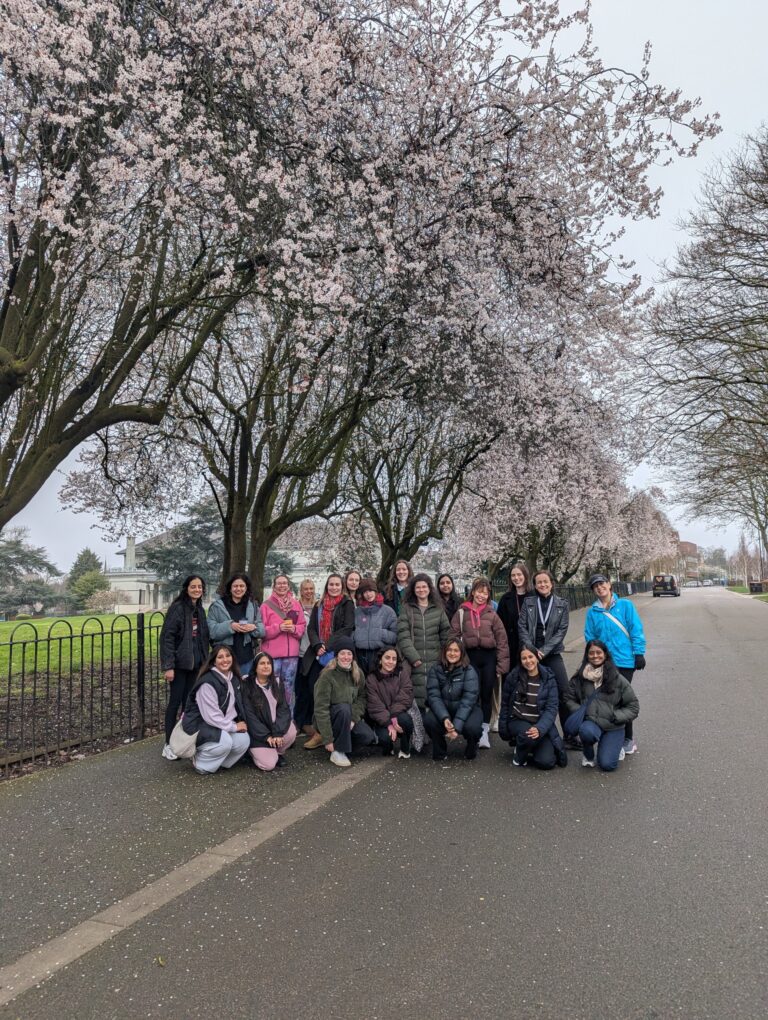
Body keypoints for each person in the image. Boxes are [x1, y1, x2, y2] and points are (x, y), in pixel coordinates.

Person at [584, 573, 646, 755]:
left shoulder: (625, 605)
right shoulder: (593, 612)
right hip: (604, 662)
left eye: (602, 583)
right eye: (595, 586)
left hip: (625, 661)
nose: (599, 587)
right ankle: (611, 736)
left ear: (609, 584)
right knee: (606, 700)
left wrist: (639, 652)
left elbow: (636, 628)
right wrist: (592, 658)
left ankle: (628, 739)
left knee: (622, 699)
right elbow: (590, 636)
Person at [296, 574, 355, 748]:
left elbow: (347, 628)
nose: (334, 587)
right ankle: (319, 731)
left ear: (342, 586)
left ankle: (329, 732)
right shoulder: (319, 604)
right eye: (331, 584)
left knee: (334, 693)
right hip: (317, 653)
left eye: (337, 584)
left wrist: (327, 645)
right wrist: (317, 644)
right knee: (314, 689)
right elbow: (311, 628)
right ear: (326, 586)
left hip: (337, 653)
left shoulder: (347, 604)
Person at [451, 577, 509, 749]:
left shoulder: (492, 614)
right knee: (472, 694)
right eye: (479, 591)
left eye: (485, 593)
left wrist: (502, 665)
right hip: (470, 658)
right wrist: (457, 658)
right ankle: (473, 727)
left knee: (486, 694)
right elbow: (453, 636)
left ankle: (484, 730)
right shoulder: (462, 612)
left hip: (489, 658)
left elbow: (502, 640)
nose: (482, 596)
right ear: (473, 592)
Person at [565, 640, 639, 771]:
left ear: (605, 654)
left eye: (598, 652)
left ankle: (615, 747)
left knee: (607, 765)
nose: (595, 656)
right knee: (586, 731)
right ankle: (588, 755)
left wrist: (616, 716)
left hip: (613, 725)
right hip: (591, 723)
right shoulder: (579, 677)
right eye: (591, 653)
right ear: (587, 655)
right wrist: (581, 712)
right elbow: (568, 698)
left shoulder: (617, 678)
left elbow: (633, 706)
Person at [179, 644, 250, 775]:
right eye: (220, 657)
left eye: (228, 656)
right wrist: (234, 727)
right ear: (214, 661)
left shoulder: (234, 678)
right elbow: (211, 716)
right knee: (225, 742)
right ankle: (200, 762)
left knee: (243, 740)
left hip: (220, 724)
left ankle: (219, 763)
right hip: (199, 724)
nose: (225, 660)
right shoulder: (207, 683)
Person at [159, 575, 210, 760]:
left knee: (188, 704)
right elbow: (167, 638)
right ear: (186, 588)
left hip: (195, 665)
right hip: (180, 665)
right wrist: (168, 666)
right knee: (175, 703)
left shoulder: (199, 610)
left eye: (199, 587)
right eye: (193, 586)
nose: (197, 590)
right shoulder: (178, 608)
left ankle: (182, 741)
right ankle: (168, 743)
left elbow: (203, 637)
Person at [518, 570, 572, 741]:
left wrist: (545, 650)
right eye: (539, 582)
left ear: (551, 583)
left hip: (552, 653)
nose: (542, 584)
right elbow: (522, 626)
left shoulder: (562, 604)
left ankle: (569, 734)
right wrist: (532, 650)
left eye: (545, 581)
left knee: (564, 692)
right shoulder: (528, 602)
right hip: (531, 654)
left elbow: (561, 630)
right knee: (529, 692)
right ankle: (530, 733)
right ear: (534, 585)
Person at [498, 645, 567, 769]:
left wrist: (540, 728)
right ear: (520, 661)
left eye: (531, 657)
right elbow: (505, 704)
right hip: (518, 720)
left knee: (546, 762)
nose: (528, 661)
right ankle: (520, 754)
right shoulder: (513, 677)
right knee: (528, 736)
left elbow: (551, 708)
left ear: (537, 657)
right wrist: (503, 729)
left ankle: (530, 747)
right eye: (524, 658)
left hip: (539, 723)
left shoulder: (548, 678)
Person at [313, 638, 376, 767]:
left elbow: (362, 697)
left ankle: (343, 745)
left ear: (353, 656)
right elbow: (321, 709)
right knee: (343, 708)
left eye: (349, 653)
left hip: (348, 717)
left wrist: (353, 719)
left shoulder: (358, 673)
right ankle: (338, 751)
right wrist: (327, 739)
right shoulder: (327, 675)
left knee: (367, 736)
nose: (346, 657)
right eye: (342, 653)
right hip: (331, 718)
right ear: (337, 656)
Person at [397, 572, 452, 711]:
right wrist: (414, 657)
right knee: (415, 693)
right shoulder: (407, 609)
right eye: (418, 587)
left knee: (434, 692)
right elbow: (403, 635)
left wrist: (443, 655)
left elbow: (446, 634)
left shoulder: (438, 609)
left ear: (429, 589)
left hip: (435, 659)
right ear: (413, 590)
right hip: (414, 660)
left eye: (424, 587)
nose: (421, 590)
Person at [424, 638, 482, 760]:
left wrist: (456, 726)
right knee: (429, 721)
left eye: (456, 650)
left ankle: (471, 749)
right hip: (444, 709)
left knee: (473, 728)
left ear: (461, 653)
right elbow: (434, 696)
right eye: (449, 650)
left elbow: (468, 701)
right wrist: (445, 718)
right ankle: (440, 751)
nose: (452, 653)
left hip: (466, 709)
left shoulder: (469, 671)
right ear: (444, 651)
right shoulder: (435, 669)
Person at [240, 651, 297, 771]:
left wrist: (278, 733)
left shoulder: (277, 682)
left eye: (268, 663)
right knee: (268, 765)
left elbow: (283, 709)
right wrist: (266, 736)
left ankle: (278, 753)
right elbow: (250, 716)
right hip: (258, 734)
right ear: (255, 667)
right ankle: (251, 753)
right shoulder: (247, 684)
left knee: (291, 730)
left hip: (274, 729)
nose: (266, 666)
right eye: (262, 663)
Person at [259, 574, 306, 713]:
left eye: (284, 583)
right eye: (279, 583)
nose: (282, 586)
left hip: (291, 655)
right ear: (274, 586)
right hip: (272, 655)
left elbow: (302, 626)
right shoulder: (265, 606)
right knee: (271, 686)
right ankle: (271, 716)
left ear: (288, 586)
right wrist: (278, 628)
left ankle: (287, 718)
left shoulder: (296, 605)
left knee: (288, 688)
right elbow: (261, 630)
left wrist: (294, 629)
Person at [206, 573, 265, 678]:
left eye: (242, 586)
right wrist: (230, 626)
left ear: (246, 588)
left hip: (246, 659)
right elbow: (211, 632)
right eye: (235, 586)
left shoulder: (253, 606)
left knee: (244, 687)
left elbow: (261, 630)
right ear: (230, 588)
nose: (238, 589)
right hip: (224, 659)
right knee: (224, 687)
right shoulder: (217, 607)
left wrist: (253, 627)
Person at [365, 646, 414, 758]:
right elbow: (375, 705)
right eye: (387, 658)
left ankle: (405, 749)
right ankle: (388, 748)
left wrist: (394, 716)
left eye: (394, 659)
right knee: (385, 738)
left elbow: (405, 696)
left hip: (398, 714)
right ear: (380, 659)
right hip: (381, 720)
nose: (391, 661)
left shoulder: (402, 674)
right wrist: (389, 724)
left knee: (406, 720)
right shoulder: (371, 678)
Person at [354, 577, 398, 675]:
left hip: (378, 653)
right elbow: (351, 630)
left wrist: (380, 634)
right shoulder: (357, 611)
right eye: (365, 592)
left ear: (375, 591)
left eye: (370, 591)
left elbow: (395, 635)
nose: (368, 594)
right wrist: (356, 636)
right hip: (360, 654)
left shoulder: (388, 611)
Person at [496, 563, 531, 670]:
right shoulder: (505, 599)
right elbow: (499, 624)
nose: (516, 578)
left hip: (531, 644)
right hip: (512, 645)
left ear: (525, 575)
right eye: (513, 575)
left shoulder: (534, 596)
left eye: (519, 574)